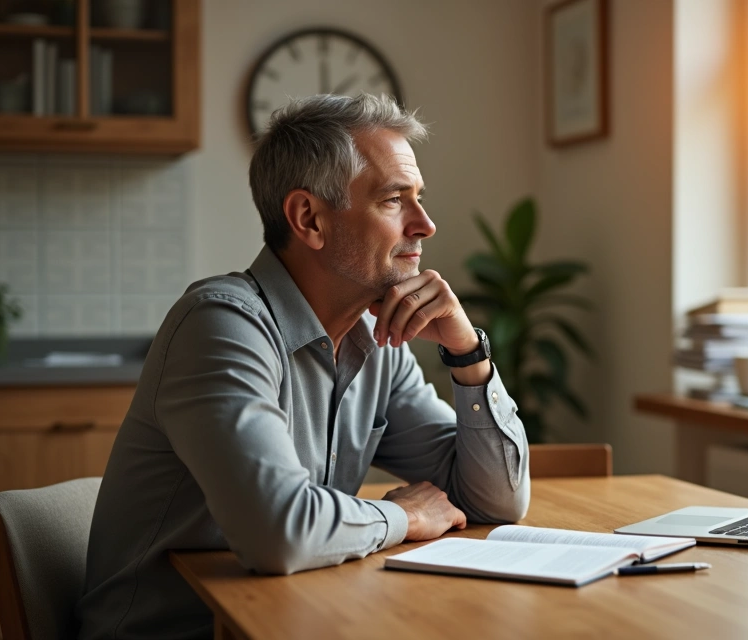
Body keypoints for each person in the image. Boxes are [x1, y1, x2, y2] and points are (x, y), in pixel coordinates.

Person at [76, 94, 530, 639]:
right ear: (309, 218)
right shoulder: (220, 327)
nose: (426, 224)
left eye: (420, 199)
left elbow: (495, 501)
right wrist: (404, 516)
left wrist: (467, 354)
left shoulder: (377, 341)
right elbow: (279, 531)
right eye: (394, 200)